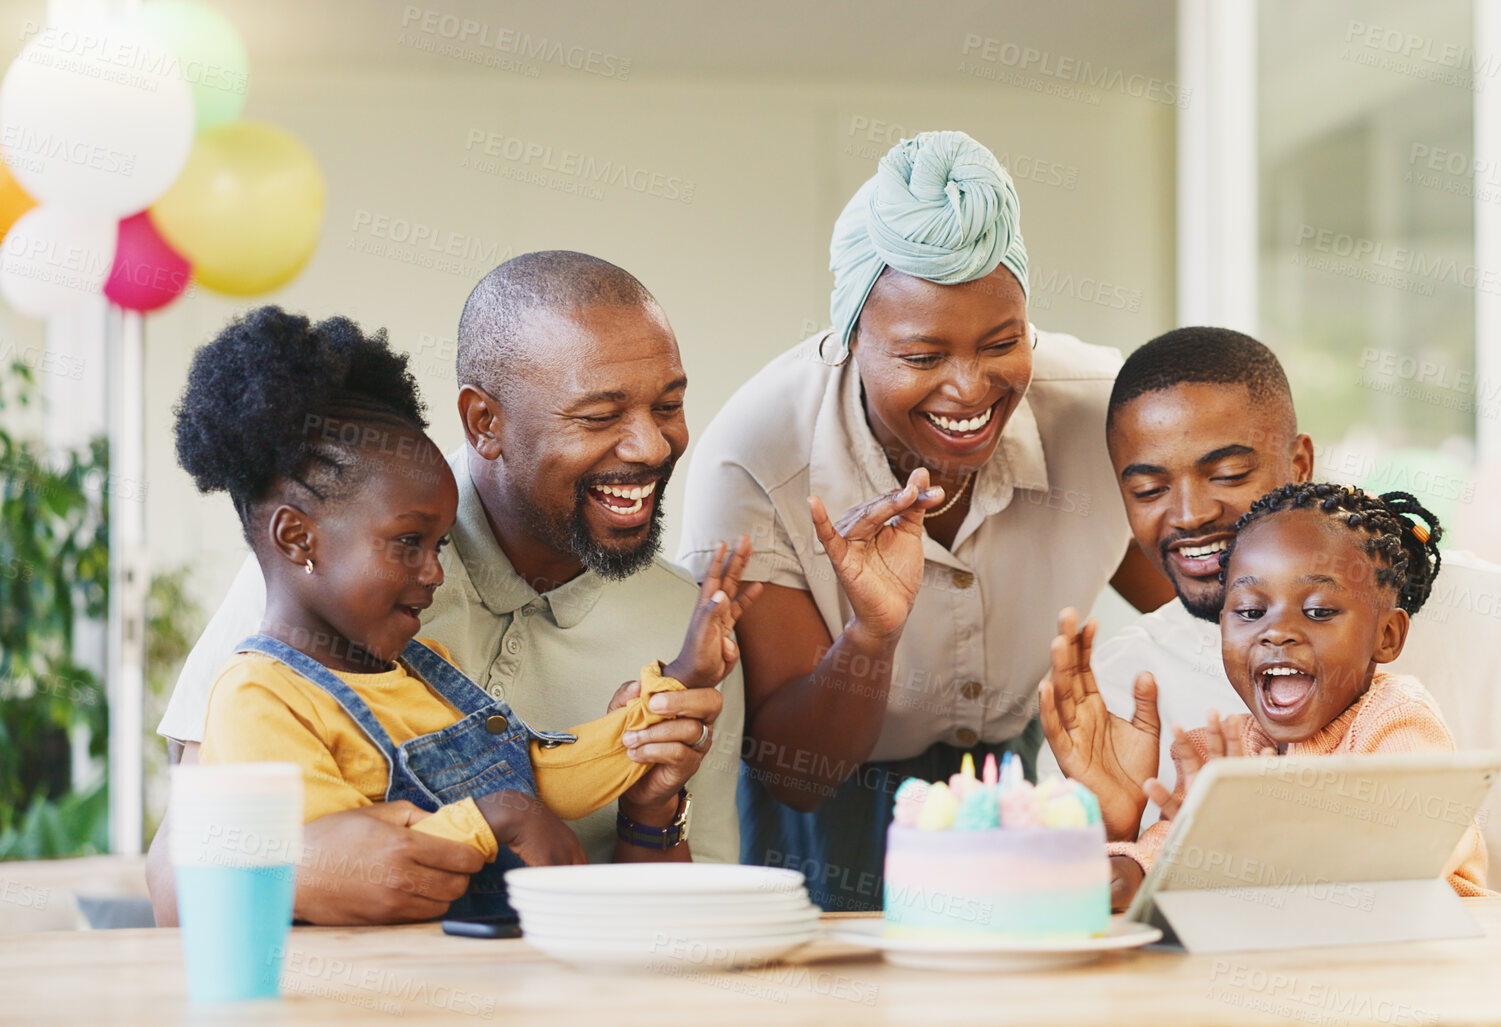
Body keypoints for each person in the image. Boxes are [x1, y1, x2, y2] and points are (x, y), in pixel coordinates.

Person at [147, 252, 737, 925]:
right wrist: (306, 869)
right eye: (599, 415)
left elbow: (556, 779)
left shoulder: (683, 614)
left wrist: (653, 787)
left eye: (668, 405)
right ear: (484, 421)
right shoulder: (307, 586)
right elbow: (185, 872)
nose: (650, 447)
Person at [678, 130, 1172, 911]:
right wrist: (871, 635)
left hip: (1021, 797)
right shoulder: (754, 459)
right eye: (921, 356)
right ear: (848, 340)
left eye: (1002, 343)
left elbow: (1203, 612)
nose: (970, 389)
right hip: (827, 818)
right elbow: (797, 775)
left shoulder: (1102, 412)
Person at [1038, 326, 1501, 894]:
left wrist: (1238, 836)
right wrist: (1114, 834)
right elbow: (1099, 902)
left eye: (1227, 473)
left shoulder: (1498, 623)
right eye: (1147, 489)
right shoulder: (1116, 702)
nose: (1190, 512)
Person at [1049, 482, 1490, 906]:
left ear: (1387, 635)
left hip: (1428, 966)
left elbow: (1408, 845)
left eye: (1318, 611)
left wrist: (1248, 834)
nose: (1276, 632)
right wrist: (1121, 859)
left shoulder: (1397, 719)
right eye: (1250, 611)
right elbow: (1168, 854)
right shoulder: (1219, 754)